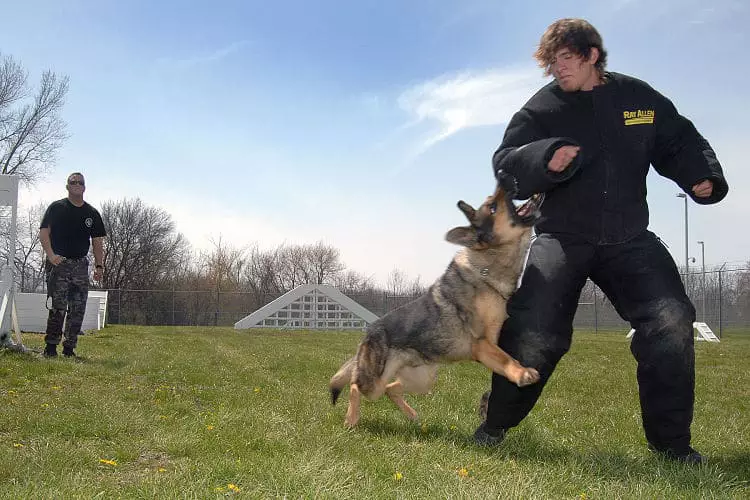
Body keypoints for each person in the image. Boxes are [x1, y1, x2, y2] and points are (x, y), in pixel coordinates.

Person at [474, 19, 728, 464]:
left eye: (565, 60)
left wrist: (701, 176)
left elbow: (677, 140)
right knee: (535, 333)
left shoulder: (639, 99)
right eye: (551, 64)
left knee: (670, 319)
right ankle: (495, 422)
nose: (558, 71)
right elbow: (506, 165)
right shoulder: (543, 109)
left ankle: (672, 446)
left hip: (629, 236)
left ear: (592, 55)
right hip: (564, 237)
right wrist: (544, 157)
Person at [39, 172, 106, 358]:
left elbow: (97, 241)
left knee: (77, 308)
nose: (77, 185)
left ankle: (69, 349)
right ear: (67, 186)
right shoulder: (56, 208)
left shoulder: (91, 213)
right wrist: (51, 256)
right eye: (72, 182)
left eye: (80, 182)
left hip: (80, 266)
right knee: (58, 307)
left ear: (84, 187)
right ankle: (50, 348)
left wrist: (99, 266)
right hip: (59, 264)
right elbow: (44, 233)